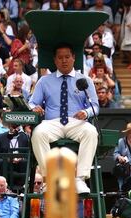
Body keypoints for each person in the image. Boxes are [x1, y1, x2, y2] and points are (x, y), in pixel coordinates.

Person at [29, 43, 99, 194]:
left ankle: (80, 179)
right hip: (52, 122)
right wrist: (34, 108)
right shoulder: (44, 80)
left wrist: (86, 112)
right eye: (60, 58)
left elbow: (95, 106)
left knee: (91, 132)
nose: (64, 60)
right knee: (38, 134)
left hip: (76, 122)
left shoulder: (85, 80)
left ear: (74, 58)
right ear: (55, 60)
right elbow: (32, 102)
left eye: (67, 57)